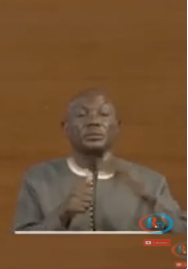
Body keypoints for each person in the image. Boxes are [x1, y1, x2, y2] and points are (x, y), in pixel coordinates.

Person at [13, 88, 186, 233]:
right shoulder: (39, 179)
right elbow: (17, 245)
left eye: (104, 114)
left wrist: (155, 205)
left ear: (117, 127)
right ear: (66, 128)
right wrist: (61, 215)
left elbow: (182, 237)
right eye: (82, 115)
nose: (94, 122)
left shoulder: (151, 182)